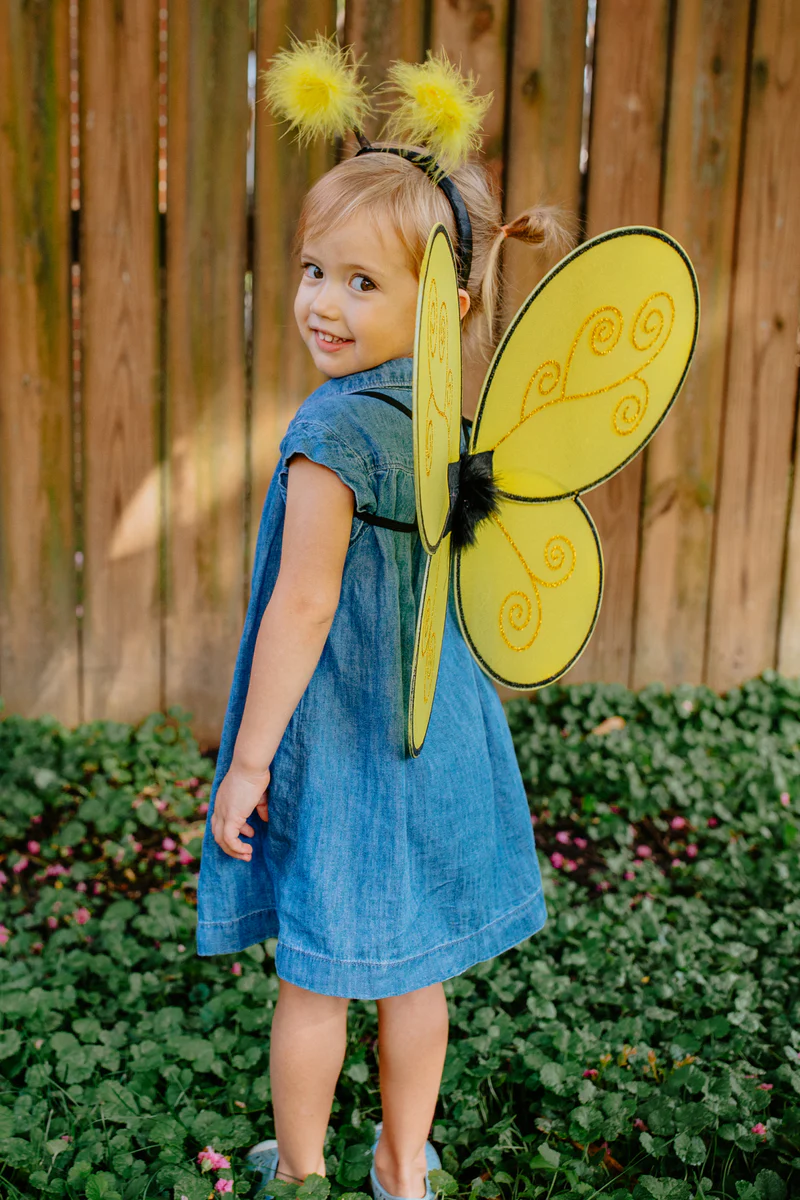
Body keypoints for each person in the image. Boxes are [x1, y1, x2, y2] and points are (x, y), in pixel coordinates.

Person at [194, 48, 575, 1200]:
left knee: (314, 981)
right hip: (438, 736)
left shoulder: (334, 435)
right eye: (314, 270)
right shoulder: (457, 419)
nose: (322, 302)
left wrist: (248, 763)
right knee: (415, 977)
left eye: (363, 283)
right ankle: (402, 1169)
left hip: (349, 749)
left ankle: (303, 1172)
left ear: (447, 303)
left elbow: (303, 607)